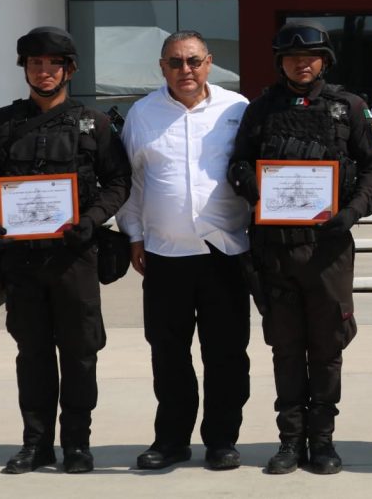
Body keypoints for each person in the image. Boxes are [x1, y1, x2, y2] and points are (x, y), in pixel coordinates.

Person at [0, 26, 131, 474]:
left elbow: (119, 182)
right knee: (33, 353)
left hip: (75, 257)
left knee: (80, 352)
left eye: (53, 64)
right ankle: (35, 443)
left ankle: (77, 443)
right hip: (20, 260)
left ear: (69, 69)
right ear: (26, 68)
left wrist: (91, 220)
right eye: (35, 64)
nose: (43, 71)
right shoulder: (1, 122)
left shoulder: (93, 124)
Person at [228, 19, 372, 475]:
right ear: (280, 62)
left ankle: (323, 439)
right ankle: (290, 440)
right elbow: (239, 162)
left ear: (325, 61)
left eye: (311, 56)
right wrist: (256, 196)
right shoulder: (261, 109)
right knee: (286, 346)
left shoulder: (349, 108)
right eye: (293, 57)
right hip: (274, 248)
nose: (302, 63)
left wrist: (351, 213)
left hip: (327, 249)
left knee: (327, 346)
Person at [116, 30, 252, 471]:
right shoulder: (142, 114)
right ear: (162, 67)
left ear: (209, 62)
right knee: (169, 354)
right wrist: (134, 235)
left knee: (227, 354)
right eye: (175, 63)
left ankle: (221, 440)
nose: (185, 71)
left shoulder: (238, 109)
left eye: (193, 61)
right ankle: (171, 440)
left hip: (225, 252)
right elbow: (132, 183)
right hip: (164, 255)